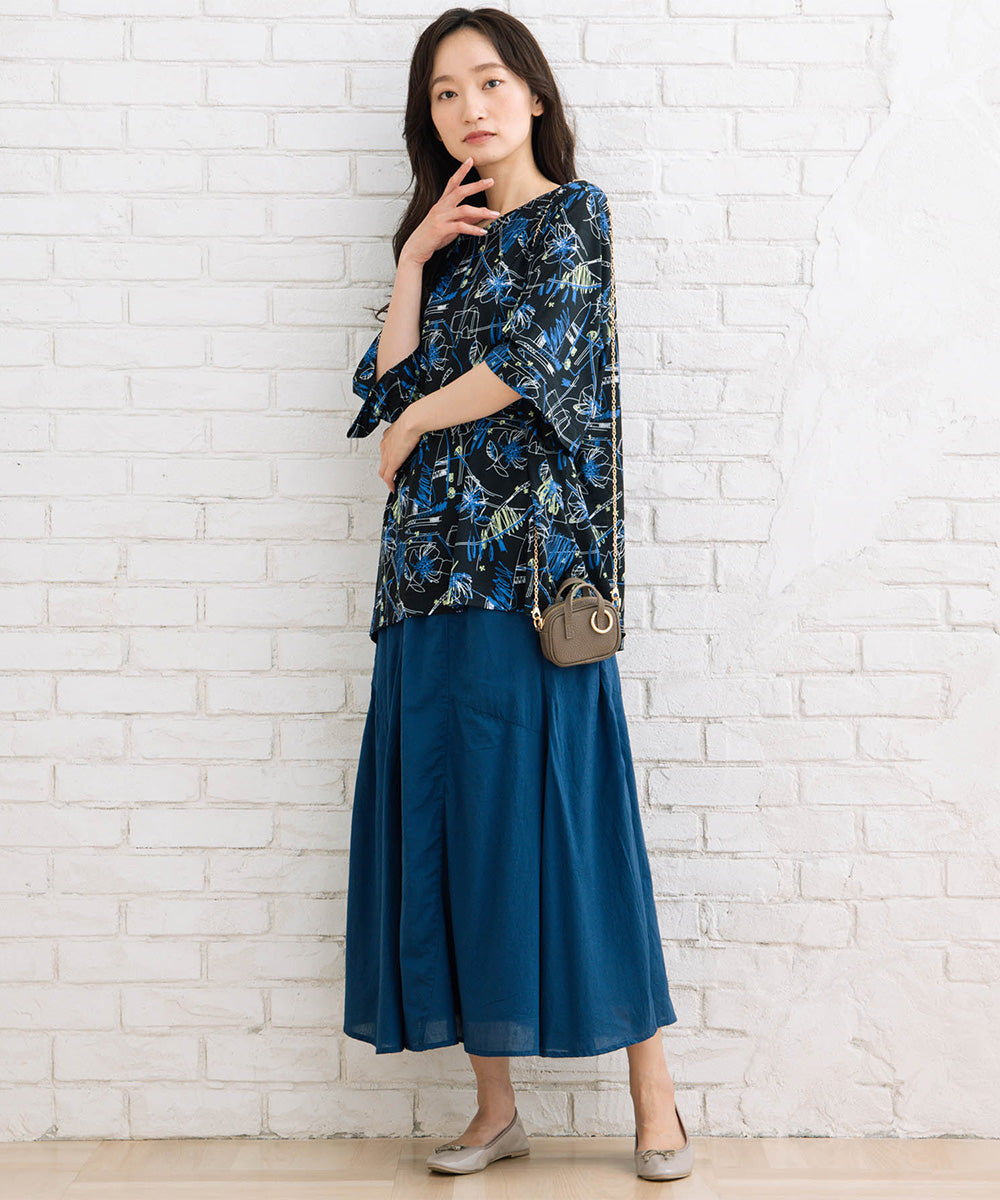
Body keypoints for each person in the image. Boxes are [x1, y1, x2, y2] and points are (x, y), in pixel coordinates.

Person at [342, 7, 693, 1183]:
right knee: (452, 835)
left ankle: (656, 1101)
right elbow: (382, 388)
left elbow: (525, 366)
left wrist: (415, 423)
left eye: (488, 82)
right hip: (424, 583)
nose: (469, 108)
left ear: (533, 94)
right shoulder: (445, 243)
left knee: (572, 829)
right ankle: (494, 1110)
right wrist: (411, 260)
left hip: (530, 584)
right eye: (445, 94)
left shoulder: (575, 216)